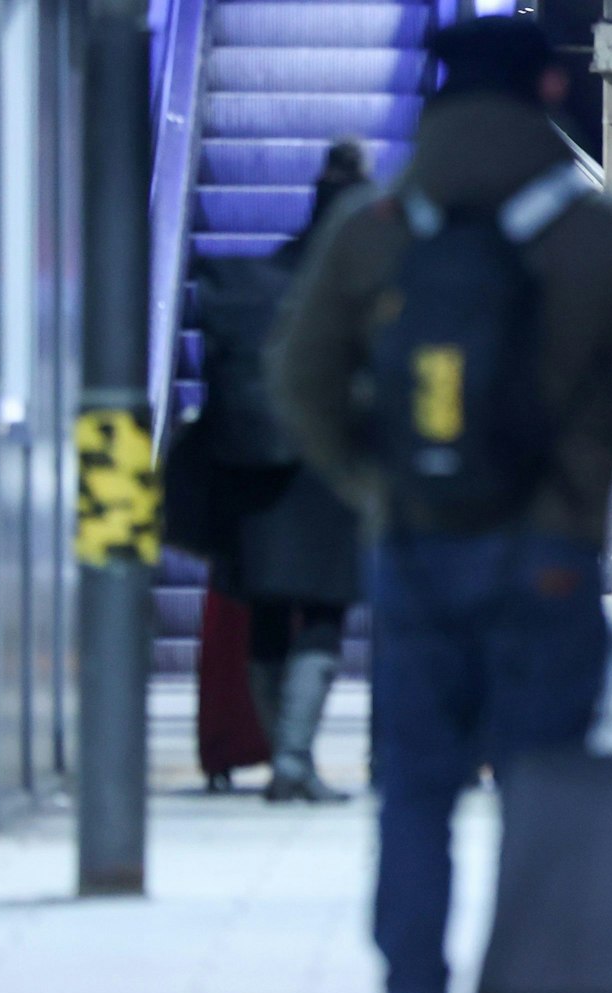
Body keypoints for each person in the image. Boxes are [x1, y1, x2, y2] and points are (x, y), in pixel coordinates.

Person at [268, 16, 612, 993]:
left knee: (414, 792)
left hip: (414, 549)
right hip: (549, 554)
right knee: (544, 787)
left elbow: (298, 380)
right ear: (549, 91)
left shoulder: (377, 227)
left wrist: (373, 485)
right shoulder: (592, 232)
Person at [195, 140, 371, 803]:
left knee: (268, 612)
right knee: (324, 612)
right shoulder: (366, 286)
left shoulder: (251, 282)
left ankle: (284, 757)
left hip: (253, 470)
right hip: (328, 471)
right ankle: (293, 759)